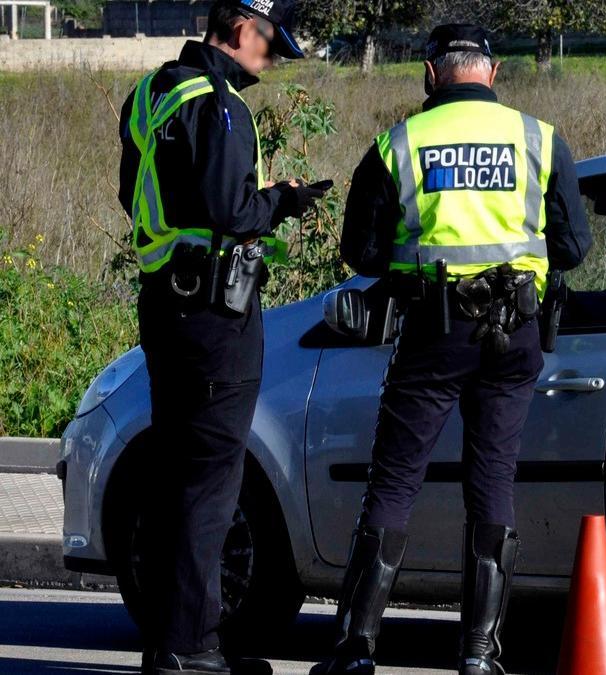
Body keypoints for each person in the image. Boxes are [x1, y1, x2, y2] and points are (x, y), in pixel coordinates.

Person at [311, 23, 591, 675]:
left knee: (394, 481)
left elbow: (362, 250)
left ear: (432, 74)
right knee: (491, 482)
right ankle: (479, 652)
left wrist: (414, 260)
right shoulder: (540, 140)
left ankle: (355, 648)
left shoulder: (398, 144)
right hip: (513, 332)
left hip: (434, 333)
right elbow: (574, 247)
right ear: (491, 72)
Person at [116, 2, 327, 673]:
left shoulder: (151, 92)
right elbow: (232, 211)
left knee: (177, 474)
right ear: (241, 28)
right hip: (215, 316)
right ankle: (192, 647)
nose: (271, 59)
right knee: (211, 482)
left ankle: (169, 640)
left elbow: (136, 194)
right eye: (270, 44)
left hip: (163, 304)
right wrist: (284, 199)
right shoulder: (221, 104)